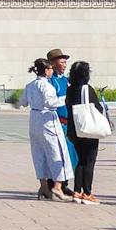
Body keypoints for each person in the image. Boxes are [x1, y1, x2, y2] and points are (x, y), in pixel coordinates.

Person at [24, 58, 74, 201]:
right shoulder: (47, 86)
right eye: (51, 69)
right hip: (48, 119)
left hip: (34, 119)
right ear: (47, 70)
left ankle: (43, 185)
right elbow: (50, 102)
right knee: (57, 152)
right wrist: (66, 98)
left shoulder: (30, 85)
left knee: (39, 152)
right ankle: (57, 187)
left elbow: (23, 101)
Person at [64, 60, 106, 204]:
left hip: (74, 130)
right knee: (89, 161)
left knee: (80, 160)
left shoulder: (70, 89)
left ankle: (77, 191)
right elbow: (97, 108)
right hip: (88, 130)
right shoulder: (87, 89)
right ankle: (87, 193)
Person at [47, 48, 78, 197]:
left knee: (71, 155)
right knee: (57, 154)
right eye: (62, 61)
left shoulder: (65, 80)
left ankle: (64, 184)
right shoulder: (50, 81)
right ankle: (52, 184)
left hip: (68, 122)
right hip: (56, 122)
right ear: (52, 63)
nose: (65, 64)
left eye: (66, 61)